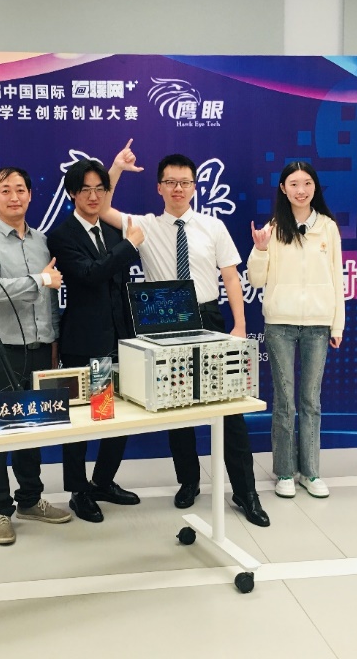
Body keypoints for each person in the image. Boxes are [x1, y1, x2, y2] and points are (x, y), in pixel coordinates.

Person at [103, 147, 270, 527]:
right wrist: (116, 168)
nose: (178, 188)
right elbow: (104, 206)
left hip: (208, 318)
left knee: (230, 408)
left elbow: (231, 277)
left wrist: (239, 325)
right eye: (170, 182)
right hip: (164, 321)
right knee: (176, 408)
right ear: (159, 187)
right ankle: (188, 482)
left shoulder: (213, 226)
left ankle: (246, 492)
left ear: (194, 187)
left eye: (184, 182)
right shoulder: (143, 226)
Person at [0, 166, 72, 545]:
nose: (14, 197)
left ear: (30, 195)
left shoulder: (42, 241)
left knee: (33, 428)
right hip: (2, 353)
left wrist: (55, 343)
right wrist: (40, 280)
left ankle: (30, 499)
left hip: (41, 350)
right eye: (5, 190)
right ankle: (0, 509)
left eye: (20, 189)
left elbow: (49, 302)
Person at [46, 159, 145, 523]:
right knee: (81, 421)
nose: (93, 196)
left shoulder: (113, 230)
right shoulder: (62, 235)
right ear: (72, 193)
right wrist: (129, 246)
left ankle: (103, 481)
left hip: (121, 339)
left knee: (116, 416)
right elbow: (90, 274)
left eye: (99, 189)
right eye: (85, 189)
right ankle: (78, 490)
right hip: (86, 342)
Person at [246, 161, 344, 499]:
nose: (301, 190)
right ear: (283, 189)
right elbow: (255, 279)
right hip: (280, 324)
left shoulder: (328, 228)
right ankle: (285, 472)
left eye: (306, 183)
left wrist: (337, 324)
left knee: (311, 400)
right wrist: (260, 249)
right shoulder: (273, 228)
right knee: (285, 401)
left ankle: (311, 473)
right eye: (293, 184)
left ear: (315, 187)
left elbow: (338, 277)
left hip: (318, 324)